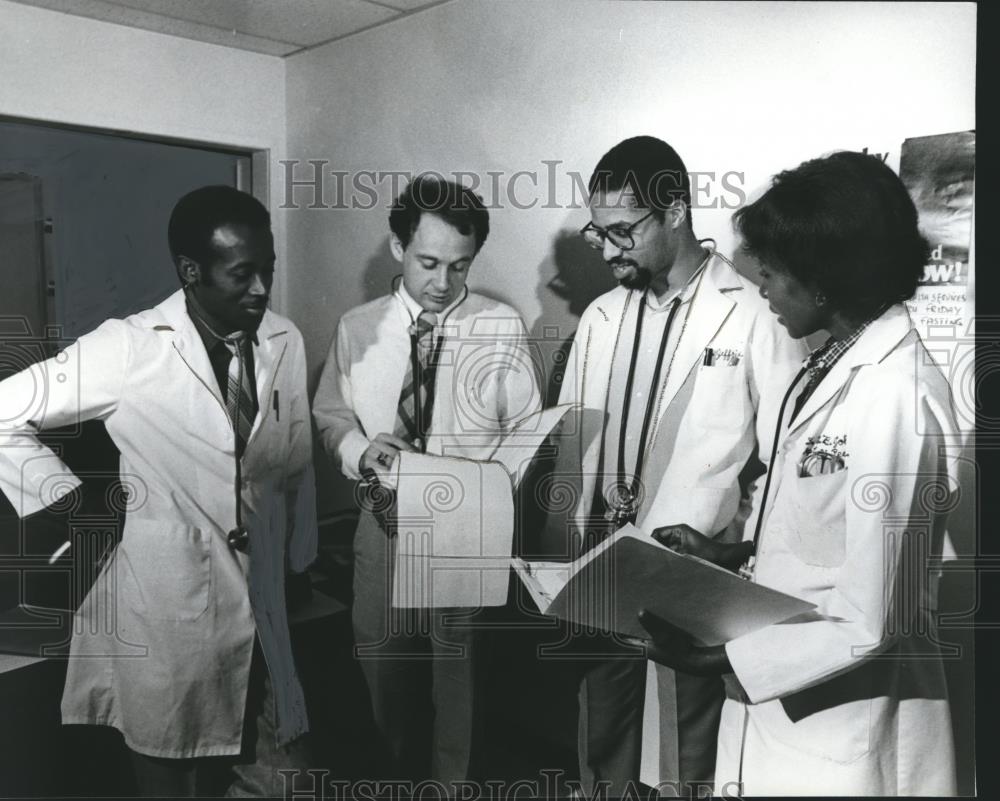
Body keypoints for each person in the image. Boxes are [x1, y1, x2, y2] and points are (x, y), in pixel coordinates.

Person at [638, 150, 960, 795]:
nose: (761, 288)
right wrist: (736, 553)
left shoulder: (892, 395)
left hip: (848, 728)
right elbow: (830, 533)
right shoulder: (828, 364)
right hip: (790, 714)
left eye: (774, 272)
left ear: (823, 279)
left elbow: (874, 614)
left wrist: (724, 657)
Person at [0, 185, 317, 797]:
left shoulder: (284, 340)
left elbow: (295, 458)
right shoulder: (129, 347)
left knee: (282, 773)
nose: (260, 290)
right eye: (242, 274)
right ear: (191, 272)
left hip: (266, 599)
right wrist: (70, 499)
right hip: (171, 604)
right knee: (174, 772)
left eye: (268, 271)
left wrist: (300, 557)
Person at [557, 135, 807, 796]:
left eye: (622, 231)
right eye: (598, 232)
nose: (608, 250)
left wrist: (738, 556)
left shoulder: (754, 312)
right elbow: (568, 448)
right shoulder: (601, 317)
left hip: (689, 577)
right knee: (604, 744)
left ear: (673, 210)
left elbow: (784, 457)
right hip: (603, 570)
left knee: (684, 759)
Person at [313, 175, 541, 785]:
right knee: (382, 680)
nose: (443, 284)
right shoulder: (357, 327)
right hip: (383, 526)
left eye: (460, 267)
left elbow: (526, 434)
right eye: (429, 262)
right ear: (397, 247)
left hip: (468, 533)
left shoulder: (501, 327)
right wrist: (363, 451)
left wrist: (490, 491)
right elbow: (330, 415)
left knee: (460, 688)